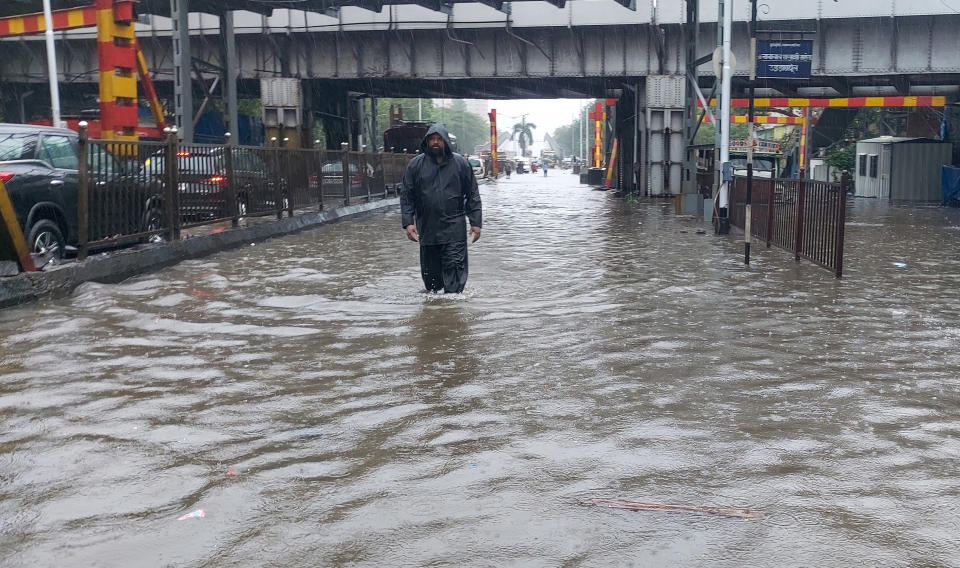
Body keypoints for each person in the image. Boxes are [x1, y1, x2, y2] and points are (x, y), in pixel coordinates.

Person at [400, 124, 482, 294]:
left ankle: (452, 309)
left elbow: (472, 194)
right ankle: (437, 308)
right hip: (428, 228)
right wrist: (408, 223)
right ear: (427, 141)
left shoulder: (461, 164)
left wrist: (476, 223)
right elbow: (407, 195)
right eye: (432, 139)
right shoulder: (416, 165)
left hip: (454, 228)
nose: (435, 143)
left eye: (439, 139)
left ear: (445, 141)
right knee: (432, 281)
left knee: (454, 272)